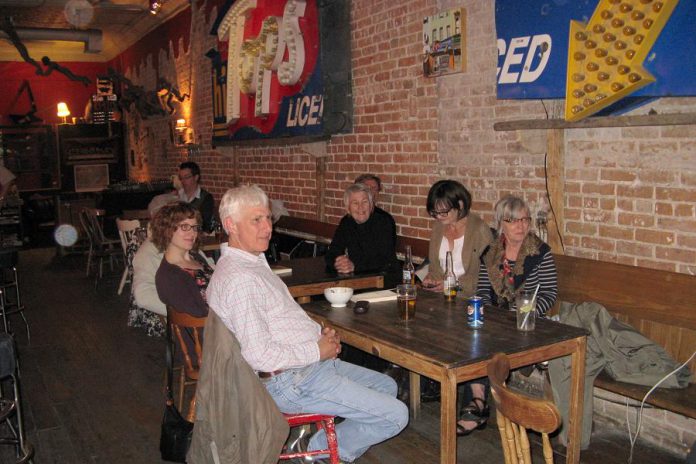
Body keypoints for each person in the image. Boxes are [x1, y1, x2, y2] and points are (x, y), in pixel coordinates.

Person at [207, 185, 408, 464]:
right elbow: (260, 356)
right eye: (256, 220)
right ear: (230, 225)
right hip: (289, 381)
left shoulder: (250, 263)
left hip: (305, 367)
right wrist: (317, 350)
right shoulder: (241, 280)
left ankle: (319, 447)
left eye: (268, 218)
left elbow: (280, 318)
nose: (267, 228)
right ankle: (317, 454)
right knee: (397, 414)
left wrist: (318, 335)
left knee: (387, 387)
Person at [457, 194, 558, 436]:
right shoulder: (491, 252)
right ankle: (478, 401)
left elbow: (549, 292)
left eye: (525, 219)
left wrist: (526, 311)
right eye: (513, 221)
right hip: (497, 320)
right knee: (471, 337)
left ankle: (478, 405)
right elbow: (482, 289)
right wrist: (484, 311)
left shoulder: (539, 252)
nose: (521, 226)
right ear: (501, 223)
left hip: (528, 322)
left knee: (487, 343)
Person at [421, 180, 493, 297]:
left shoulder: (479, 230)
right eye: (435, 212)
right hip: (441, 297)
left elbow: (488, 275)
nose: (438, 217)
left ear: (460, 205)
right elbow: (434, 267)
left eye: (443, 212)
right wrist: (431, 279)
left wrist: (454, 285)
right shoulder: (438, 227)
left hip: (468, 298)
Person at [324, 183, 400, 288]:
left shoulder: (383, 222)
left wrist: (354, 266)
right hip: (357, 279)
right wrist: (338, 262)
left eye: (364, 202)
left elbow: (383, 260)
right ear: (348, 208)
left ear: (371, 204)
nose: (360, 207)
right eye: (355, 203)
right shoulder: (346, 222)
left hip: (385, 281)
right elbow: (332, 251)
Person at [153, 202, 214, 317]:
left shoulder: (196, 257)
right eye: (185, 227)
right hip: (209, 331)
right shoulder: (169, 277)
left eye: (195, 227)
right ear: (167, 230)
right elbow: (201, 315)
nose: (192, 233)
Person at [177, 161, 215, 232]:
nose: (183, 181)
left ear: (196, 177)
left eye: (186, 177)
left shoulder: (206, 198)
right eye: (181, 178)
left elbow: (206, 225)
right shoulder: (177, 196)